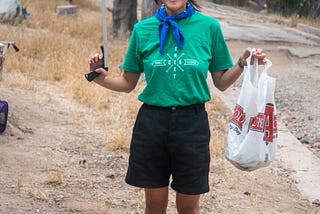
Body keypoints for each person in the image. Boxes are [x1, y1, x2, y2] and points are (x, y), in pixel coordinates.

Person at [88, 0, 266, 213]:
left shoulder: (209, 27)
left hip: (192, 124)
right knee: (154, 206)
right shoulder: (142, 29)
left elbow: (221, 82)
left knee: (189, 208)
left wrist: (241, 63)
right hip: (151, 125)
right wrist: (100, 79)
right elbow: (127, 83)